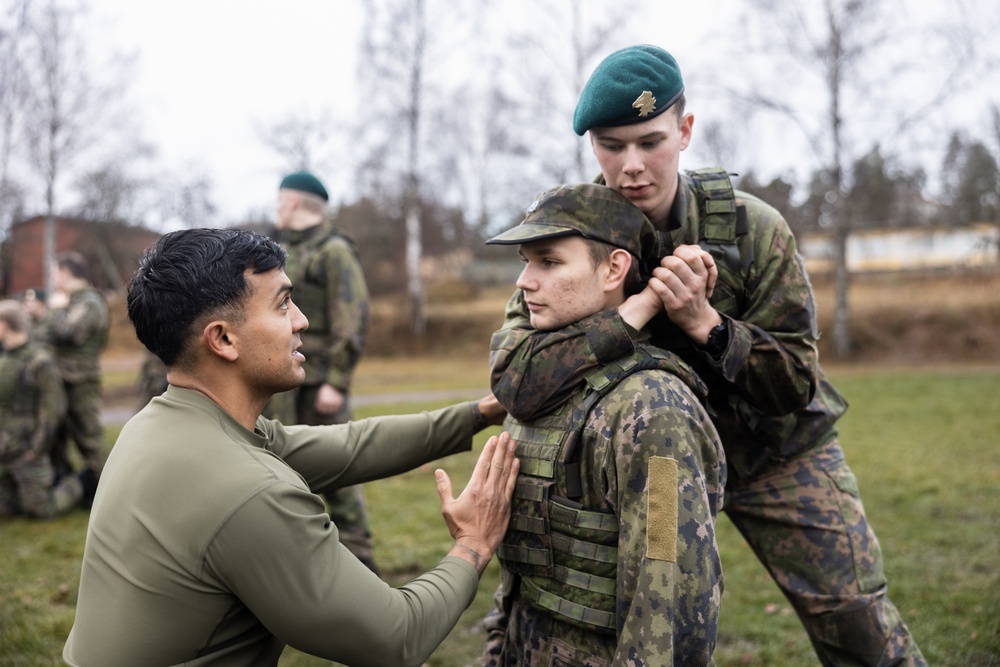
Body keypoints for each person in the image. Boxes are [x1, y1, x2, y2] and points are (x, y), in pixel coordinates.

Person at [490, 45, 926, 666]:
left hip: (773, 452)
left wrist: (709, 325)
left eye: (651, 141)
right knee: (572, 607)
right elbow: (518, 377)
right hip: (648, 460)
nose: (632, 166)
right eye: (612, 145)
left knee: (853, 616)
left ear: (685, 131)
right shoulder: (570, 234)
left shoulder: (754, 230)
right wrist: (629, 315)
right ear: (592, 146)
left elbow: (796, 383)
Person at [63, 228, 519, 666]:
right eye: (283, 304)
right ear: (222, 339)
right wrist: (474, 544)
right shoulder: (249, 492)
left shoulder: (162, 424)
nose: (302, 319)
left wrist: (479, 413)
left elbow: (350, 447)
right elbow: (397, 638)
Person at [481, 184, 725, 666]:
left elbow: (667, 598)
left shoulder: (653, 411)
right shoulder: (547, 381)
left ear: (614, 268)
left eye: (549, 262)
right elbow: (527, 574)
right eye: (525, 262)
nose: (525, 282)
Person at [268, 170, 379, 571]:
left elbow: (353, 319)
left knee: (338, 473)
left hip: (319, 386)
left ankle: (362, 563)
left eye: (280, 201)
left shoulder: (334, 251)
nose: (276, 208)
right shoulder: (281, 250)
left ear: (293, 203)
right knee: (281, 470)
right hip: (283, 385)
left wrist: (337, 381)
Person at [0, 300, 87, 518]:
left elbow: (53, 411)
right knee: (7, 510)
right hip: (5, 452)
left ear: (4, 326)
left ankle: (81, 482)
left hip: (28, 453)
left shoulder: (40, 361)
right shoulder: (5, 360)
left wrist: (34, 451)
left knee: (40, 509)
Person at [46, 251, 110, 484]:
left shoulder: (89, 302)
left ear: (65, 273)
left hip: (81, 380)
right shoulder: (73, 302)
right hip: (64, 377)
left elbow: (68, 332)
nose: (53, 280)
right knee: (58, 433)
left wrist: (54, 311)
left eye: (54, 274)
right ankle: (65, 478)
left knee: (88, 436)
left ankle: (105, 483)